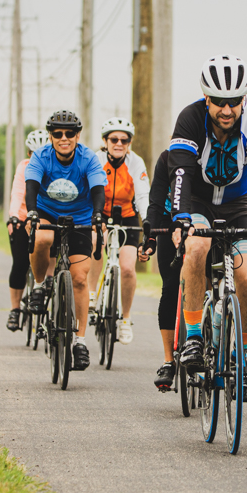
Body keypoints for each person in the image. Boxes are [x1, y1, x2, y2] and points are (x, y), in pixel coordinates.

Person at [169, 55, 247, 403]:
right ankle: (193, 337)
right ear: (207, 99)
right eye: (219, 101)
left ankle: (241, 360)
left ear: (243, 100)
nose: (226, 109)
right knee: (197, 249)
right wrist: (180, 216)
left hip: (239, 205)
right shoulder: (191, 119)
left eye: (233, 101)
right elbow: (181, 171)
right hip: (199, 203)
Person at [24, 110, 108, 371]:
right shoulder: (41, 157)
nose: (64, 138)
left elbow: (97, 190)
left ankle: (80, 341)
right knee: (41, 239)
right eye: (58, 134)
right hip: (47, 212)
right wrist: (32, 212)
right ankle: (40, 285)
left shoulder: (88, 158)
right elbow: (31, 186)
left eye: (69, 133)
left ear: (77, 135)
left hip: (79, 218)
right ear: (50, 136)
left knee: (80, 278)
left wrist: (97, 215)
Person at [88, 117, 150, 344]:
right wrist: (92, 216)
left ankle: (125, 319)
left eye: (125, 140)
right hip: (101, 212)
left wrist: (148, 222)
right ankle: (92, 296)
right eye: (114, 139)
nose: (119, 143)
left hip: (128, 216)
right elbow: (89, 190)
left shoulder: (136, 162)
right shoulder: (95, 159)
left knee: (127, 268)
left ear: (129, 143)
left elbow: (143, 195)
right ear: (105, 141)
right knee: (96, 241)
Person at [138, 149, 181, 390]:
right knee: (171, 287)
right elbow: (155, 203)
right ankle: (168, 361)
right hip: (168, 221)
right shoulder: (167, 159)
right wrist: (150, 239)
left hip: (201, 222)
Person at [6, 129, 47, 332]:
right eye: (33, 153)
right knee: (21, 263)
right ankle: (15, 309)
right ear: (29, 154)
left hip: (46, 219)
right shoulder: (24, 167)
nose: (36, 158)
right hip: (23, 218)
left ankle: (47, 297)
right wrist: (13, 216)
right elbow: (18, 193)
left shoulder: (54, 167)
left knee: (52, 256)